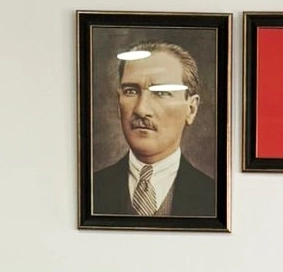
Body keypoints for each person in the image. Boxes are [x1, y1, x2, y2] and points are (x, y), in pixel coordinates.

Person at [91, 42, 216, 218]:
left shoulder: (213, 196)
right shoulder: (90, 188)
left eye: (161, 92)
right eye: (131, 91)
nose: (141, 109)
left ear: (191, 109)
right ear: (119, 104)